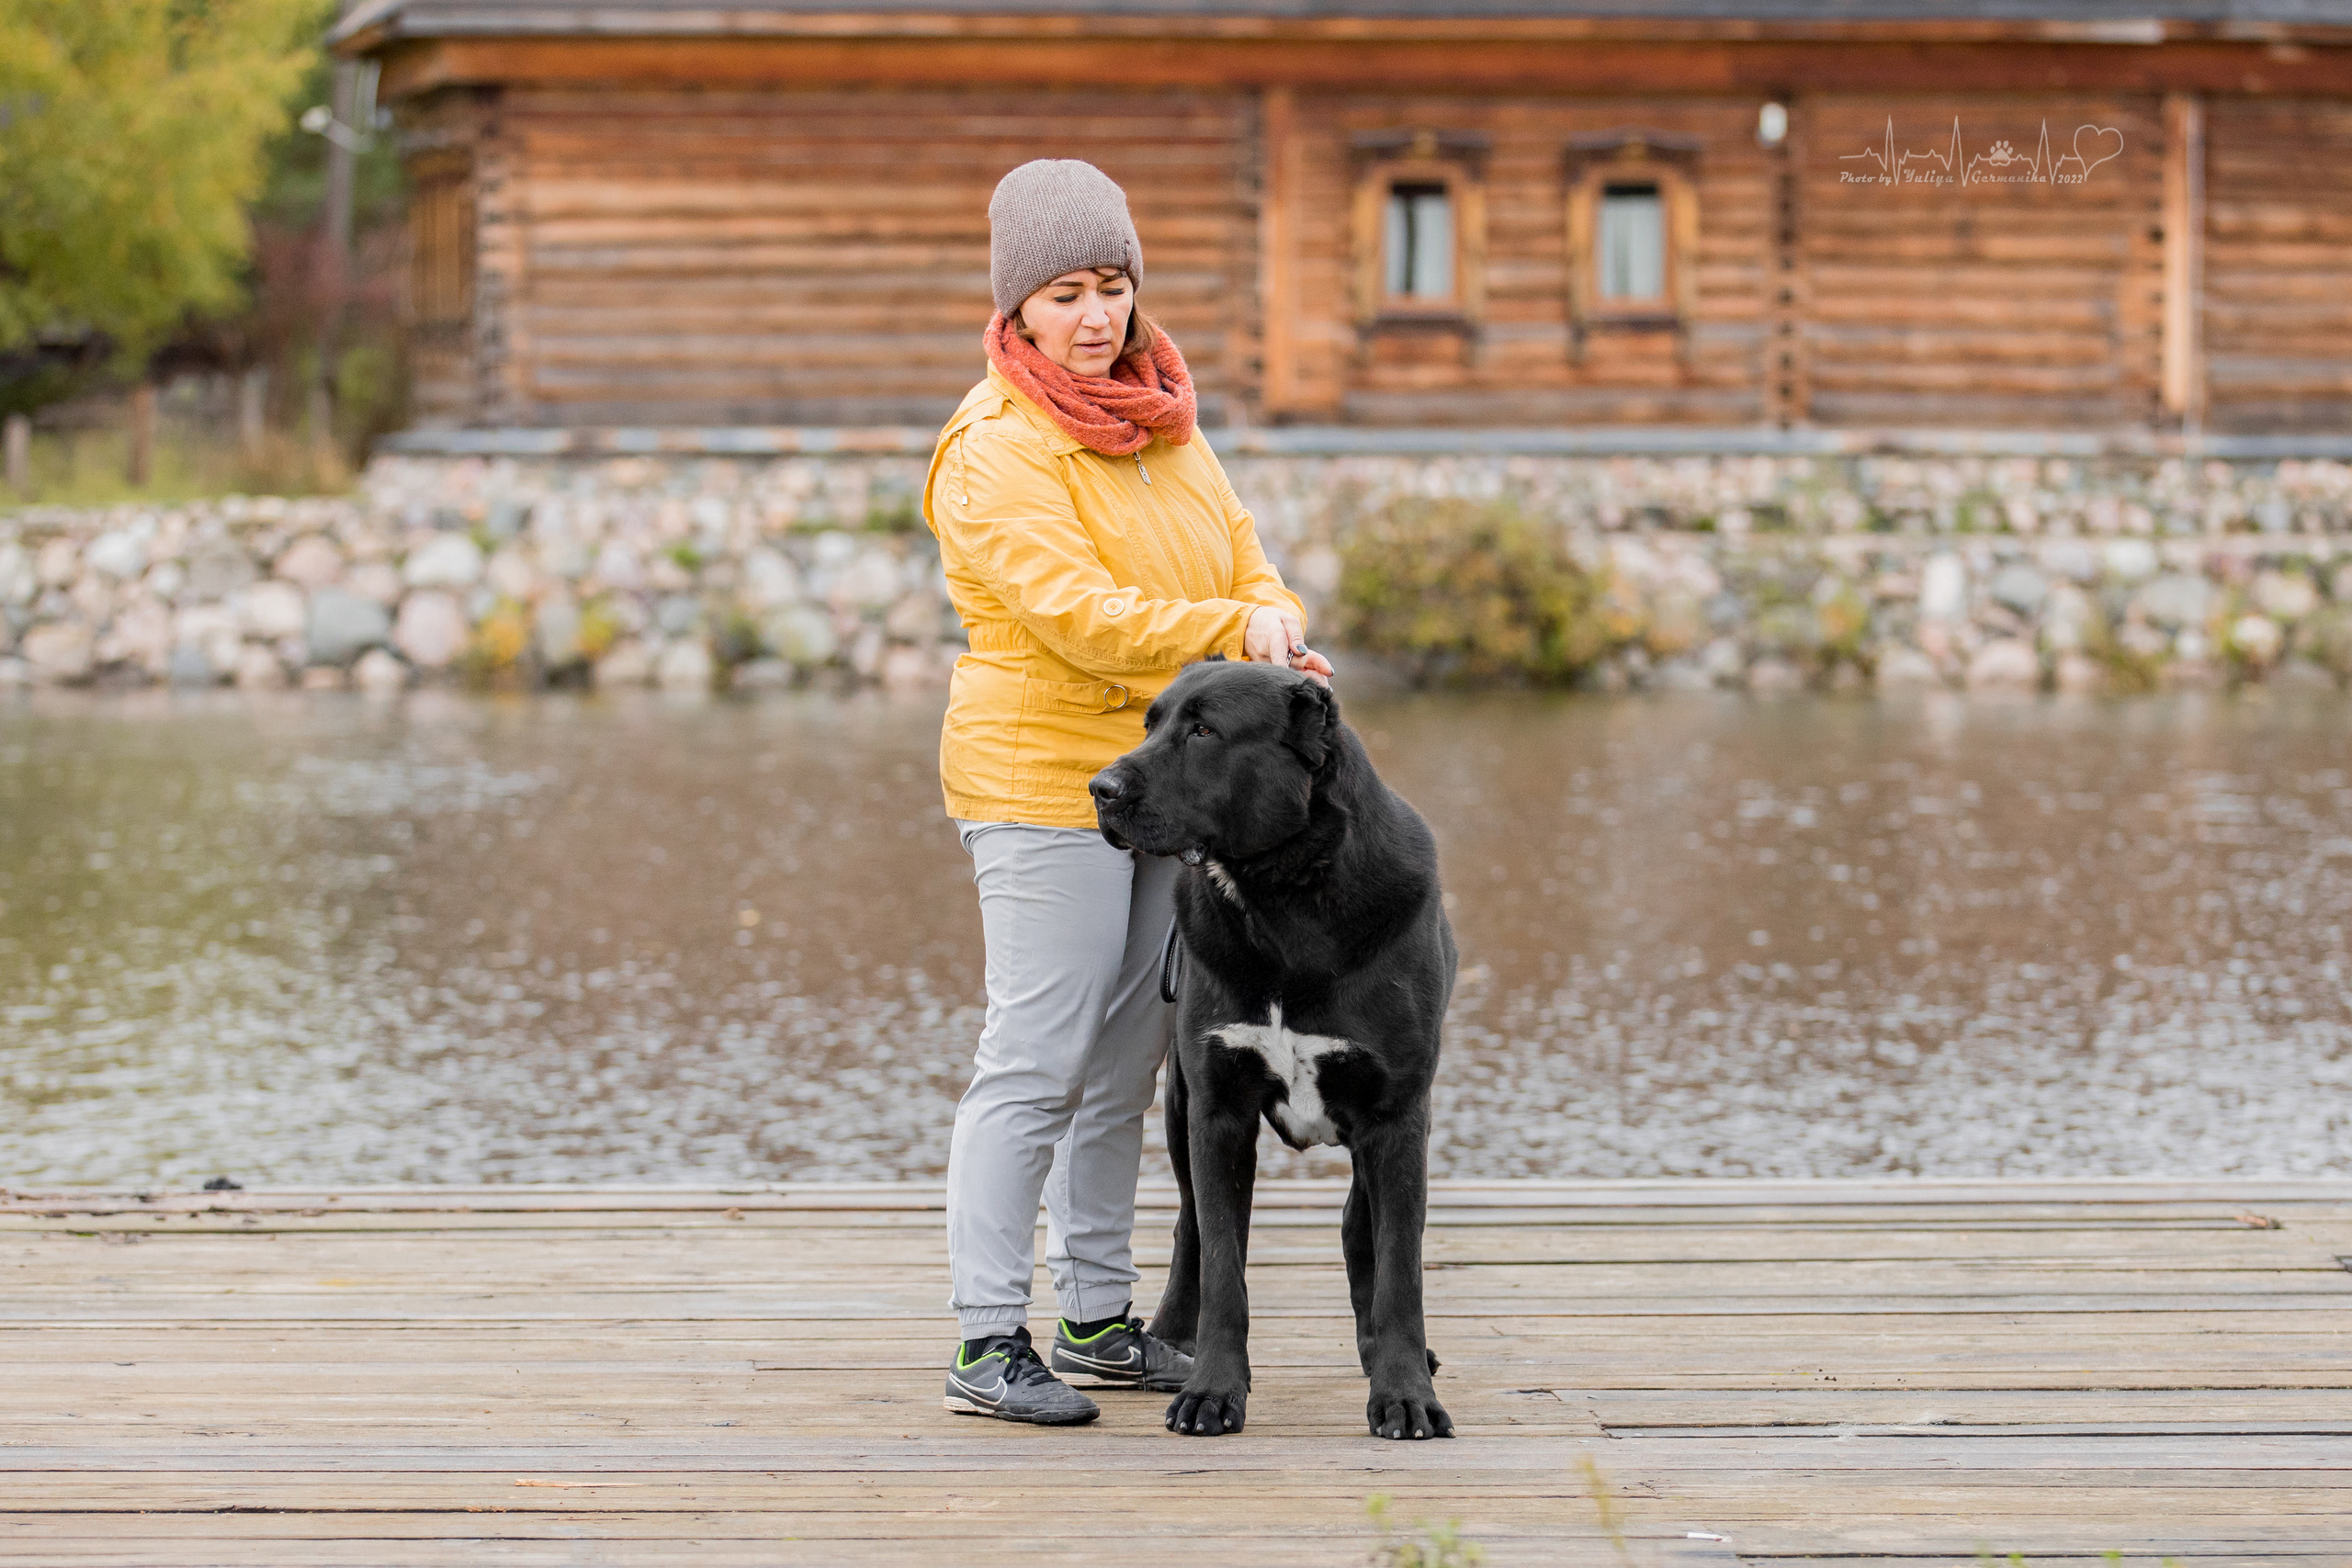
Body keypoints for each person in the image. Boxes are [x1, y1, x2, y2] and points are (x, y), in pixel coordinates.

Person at [922, 159, 1332, 1425]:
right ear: (1018, 308)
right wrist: (1232, 636)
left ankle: (1097, 1320)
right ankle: (987, 1338)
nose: (1095, 317)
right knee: (1035, 1059)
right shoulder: (996, 447)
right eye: (1064, 295)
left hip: (1168, 790)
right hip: (1042, 781)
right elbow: (1080, 617)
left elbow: (1246, 561)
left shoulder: (1165, 422)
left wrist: (1274, 621)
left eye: (1112, 286)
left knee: (1125, 1066)